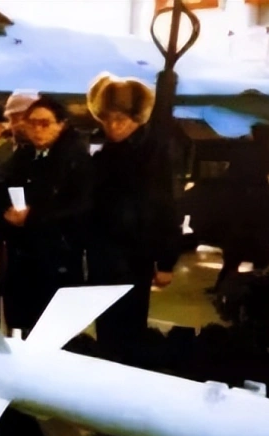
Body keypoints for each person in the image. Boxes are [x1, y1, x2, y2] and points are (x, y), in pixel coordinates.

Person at [86, 73, 181, 365]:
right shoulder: (102, 152)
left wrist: (166, 261)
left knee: (129, 329)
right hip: (103, 254)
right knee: (106, 327)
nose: (114, 126)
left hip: (136, 255)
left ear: (136, 118)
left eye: (121, 119)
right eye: (108, 119)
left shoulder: (154, 153)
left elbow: (166, 209)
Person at [0, 97, 93, 333]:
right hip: (22, 257)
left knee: (52, 330)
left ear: (61, 125)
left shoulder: (76, 159)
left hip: (58, 257)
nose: (37, 129)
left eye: (45, 123)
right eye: (32, 123)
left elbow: (80, 206)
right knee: (20, 326)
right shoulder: (23, 155)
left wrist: (33, 217)